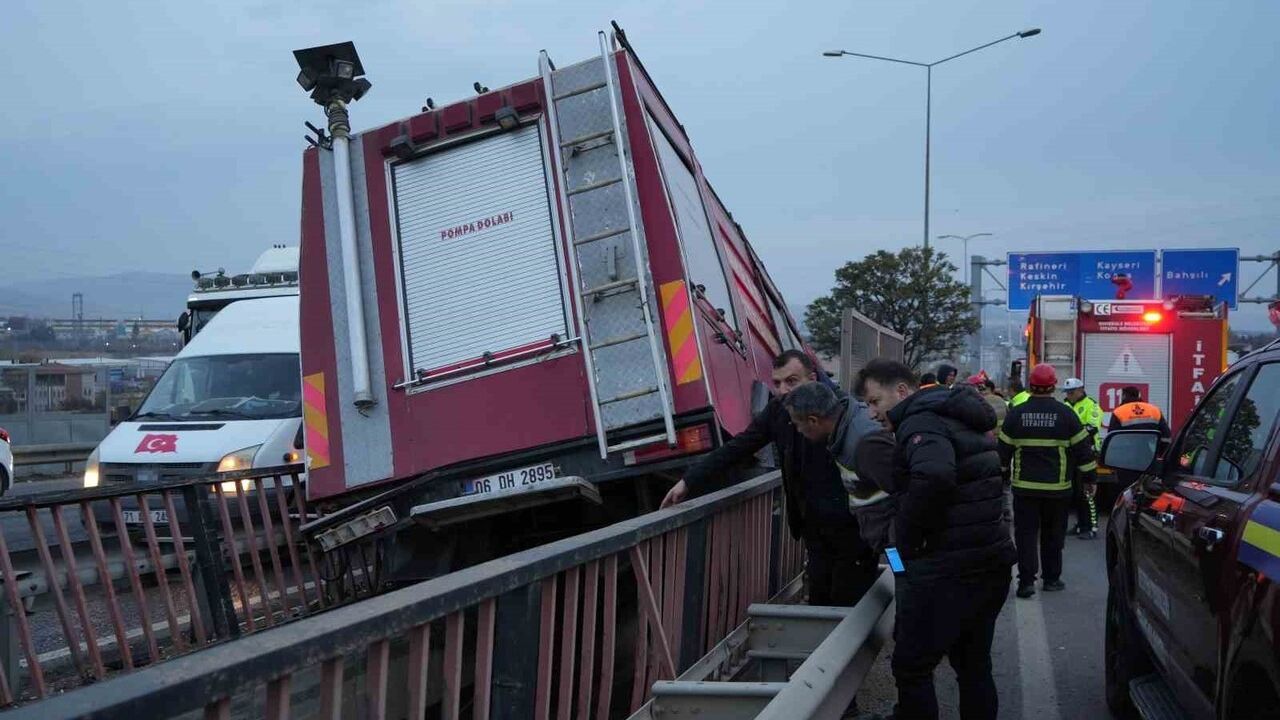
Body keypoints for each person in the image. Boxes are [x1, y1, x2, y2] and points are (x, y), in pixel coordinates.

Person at [859, 359, 1016, 720]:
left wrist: (906, 539)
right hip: (988, 563)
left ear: (901, 391)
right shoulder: (961, 417)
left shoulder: (919, 421)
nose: (871, 413)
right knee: (974, 665)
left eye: (874, 401)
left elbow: (935, 476)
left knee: (912, 668)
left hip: (943, 571)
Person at [660, 350, 877, 607]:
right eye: (776, 383)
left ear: (813, 377)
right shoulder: (778, 411)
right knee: (821, 601)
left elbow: (883, 486)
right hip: (815, 531)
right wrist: (689, 480)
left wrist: (890, 546)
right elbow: (740, 445)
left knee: (848, 607)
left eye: (792, 381)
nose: (783, 390)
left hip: (854, 532)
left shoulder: (844, 415)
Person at [998, 364, 1097, 599]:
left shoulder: (1016, 414)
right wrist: (1090, 480)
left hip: (1025, 489)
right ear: (1053, 386)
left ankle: (1026, 583)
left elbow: (1002, 454)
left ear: (1031, 385)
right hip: (1058, 490)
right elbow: (1084, 451)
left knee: (1026, 536)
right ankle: (1051, 580)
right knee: (1053, 536)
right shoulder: (1066, 414)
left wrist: (999, 481)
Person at [784, 381, 898, 554]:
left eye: (798, 424)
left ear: (813, 420)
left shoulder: (865, 443)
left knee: (901, 575)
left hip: (892, 544)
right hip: (881, 536)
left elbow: (907, 492)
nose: (799, 431)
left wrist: (892, 538)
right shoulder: (846, 429)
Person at [1062, 378, 1103, 540]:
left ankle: (1091, 527)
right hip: (1070, 453)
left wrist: (1071, 433)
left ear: (1081, 390)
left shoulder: (1091, 405)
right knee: (1075, 492)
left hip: (1087, 453)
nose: (1069, 395)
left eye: (1071, 392)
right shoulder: (1065, 405)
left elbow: (1092, 428)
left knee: (1087, 491)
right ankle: (1080, 524)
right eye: (1067, 393)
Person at [1108, 386, 1172, 487]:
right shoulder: (1154, 410)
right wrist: (1160, 454)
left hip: (1125, 461)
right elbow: (1167, 437)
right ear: (1139, 395)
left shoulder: (1119, 412)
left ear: (1124, 396)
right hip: (1148, 457)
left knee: (1126, 490)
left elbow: (1112, 439)